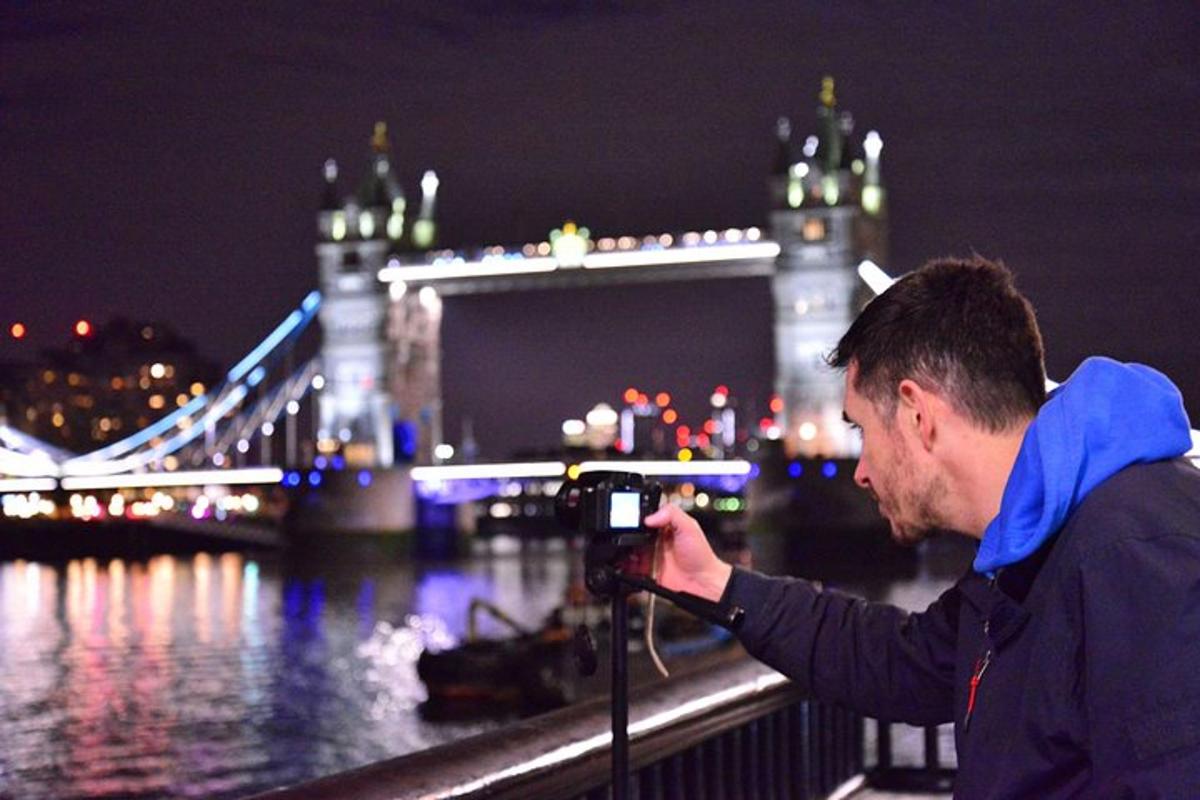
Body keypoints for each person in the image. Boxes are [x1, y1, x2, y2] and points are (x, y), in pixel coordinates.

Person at [645, 256, 1200, 798]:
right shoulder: (1023, 555)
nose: (858, 472)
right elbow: (901, 661)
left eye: (862, 430)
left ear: (917, 415)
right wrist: (715, 583)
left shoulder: (1136, 553)